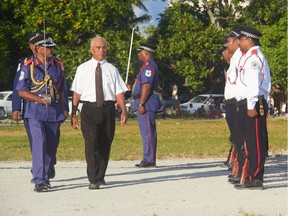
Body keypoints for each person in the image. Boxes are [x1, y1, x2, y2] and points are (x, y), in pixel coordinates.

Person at [70, 36, 127, 190]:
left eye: (104, 47)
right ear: (91, 50)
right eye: (98, 47)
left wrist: (123, 110)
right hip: (89, 110)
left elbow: (119, 92)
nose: (101, 50)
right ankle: (93, 178)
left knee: (105, 143)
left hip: (108, 110)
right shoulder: (83, 69)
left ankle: (101, 175)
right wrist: (73, 113)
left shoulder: (112, 69)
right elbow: (77, 92)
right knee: (91, 143)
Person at [16, 33, 68, 192]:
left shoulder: (57, 64)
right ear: (37, 48)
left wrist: (65, 108)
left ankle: (47, 171)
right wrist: (39, 100)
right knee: (40, 144)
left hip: (53, 111)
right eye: (47, 47)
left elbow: (62, 88)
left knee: (51, 147)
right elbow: (21, 91)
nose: (51, 49)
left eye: (52, 47)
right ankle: (40, 180)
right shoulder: (28, 65)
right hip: (35, 112)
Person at [233, 26, 271, 190]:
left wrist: (250, 105)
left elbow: (254, 84)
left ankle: (256, 177)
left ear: (249, 40)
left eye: (240, 39)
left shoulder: (254, 58)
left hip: (253, 103)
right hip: (246, 102)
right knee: (249, 140)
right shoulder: (247, 57)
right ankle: (250, 175)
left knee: (255, 141)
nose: (239, 42)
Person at [132, 42, 163, 168]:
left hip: (146, 103)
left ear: (146, 52)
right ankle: (148, 157)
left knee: (148, 132)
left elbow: (147, 86)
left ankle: (149, 159)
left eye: (140, 52)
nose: (138, 55)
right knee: (146, 131)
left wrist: (141, 103)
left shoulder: (148, 66)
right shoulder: (146, 66)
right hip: (145, 101)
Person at [222, 27, 245, 184]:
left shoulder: (240, 58)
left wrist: (238, 103)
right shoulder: (236, 58)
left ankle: (243, 170)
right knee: (236, 139)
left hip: (236, 102)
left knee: (240, 139)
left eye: (229, 41)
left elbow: (240, 84)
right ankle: (239, 168)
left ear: (237, 42)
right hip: (231, 102)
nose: (226, 44)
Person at [12, 32, 40, 152]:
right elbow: (17, 85)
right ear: (31, 46)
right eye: (35, 44)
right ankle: (38, 167)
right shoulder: (25, 63)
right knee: (35, 141)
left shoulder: (54, 62)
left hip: (49, 107)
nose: (36, 47)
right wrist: (16, 107)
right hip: (31, 106)